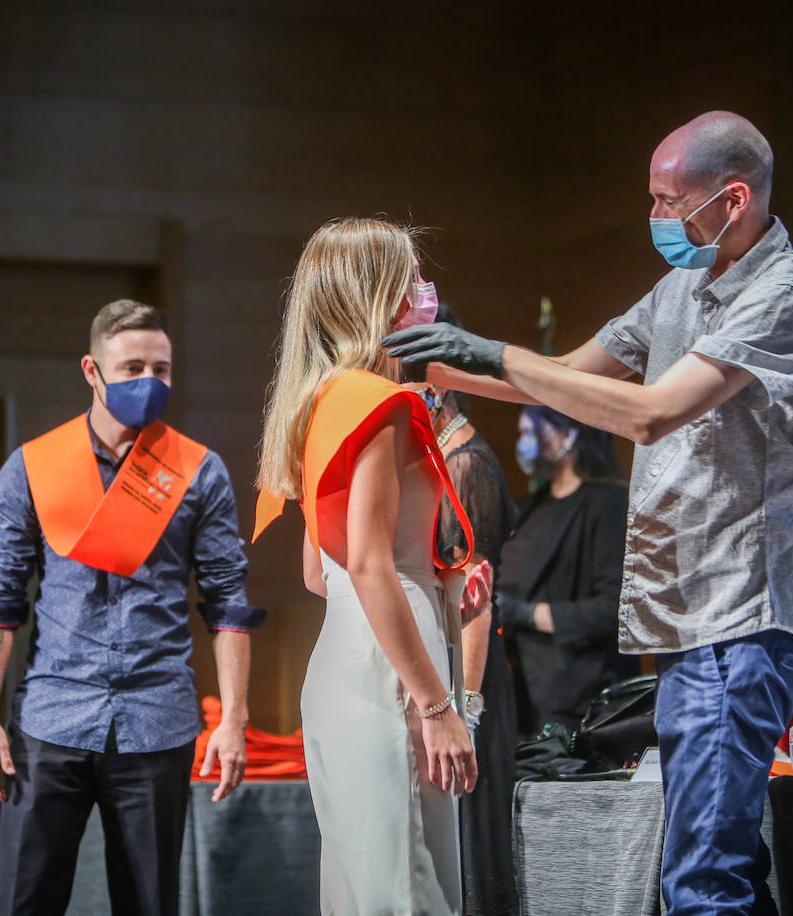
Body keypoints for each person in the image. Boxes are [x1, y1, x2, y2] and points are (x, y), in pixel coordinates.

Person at [385, 111, 793, 916]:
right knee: (724, 865)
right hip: (687, 622)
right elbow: (559, 378)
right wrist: (435, 363)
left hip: (741, 616)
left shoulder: (786, 294)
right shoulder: (679, 287)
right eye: (653, 199)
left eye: (672, 202)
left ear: (733, 200)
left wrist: (487, 354)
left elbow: (650, 414)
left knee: (701, 880)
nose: (658, 218)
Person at [0, 300, 263, 916]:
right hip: (51, 718)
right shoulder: (34, 468)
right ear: (92, 371)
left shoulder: (198, 472)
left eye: (162, 368)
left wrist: (234, 719)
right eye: (131, 368)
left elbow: (228, 604)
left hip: (158, 719)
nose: (148, 383)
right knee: (23, 901)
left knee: (150, 904)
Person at [253, 217, 478, 915]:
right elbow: (374, 567)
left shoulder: (318, 401)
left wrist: (433, 572)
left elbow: (323, 574)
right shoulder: (379, 401)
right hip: (394, 668)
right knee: (410, 894)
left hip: (343, 662)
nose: (423, 291)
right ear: (373, 294)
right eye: (411, 279)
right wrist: (438, 706)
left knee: (364, 895)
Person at [414, 305, 520, 916]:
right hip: (445, 675)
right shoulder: (435, 457)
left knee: (471, 851)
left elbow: (476, 603)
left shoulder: (467, 463)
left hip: (470, 680)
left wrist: (466, 710)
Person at [495, 406, 633, 736]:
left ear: (568, 435)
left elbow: (614, 610)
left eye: (530, 432)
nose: (522, 443)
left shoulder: (609, 504)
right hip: (523, 693)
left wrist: (526, 614)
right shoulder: (531, 508)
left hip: (578, 702)